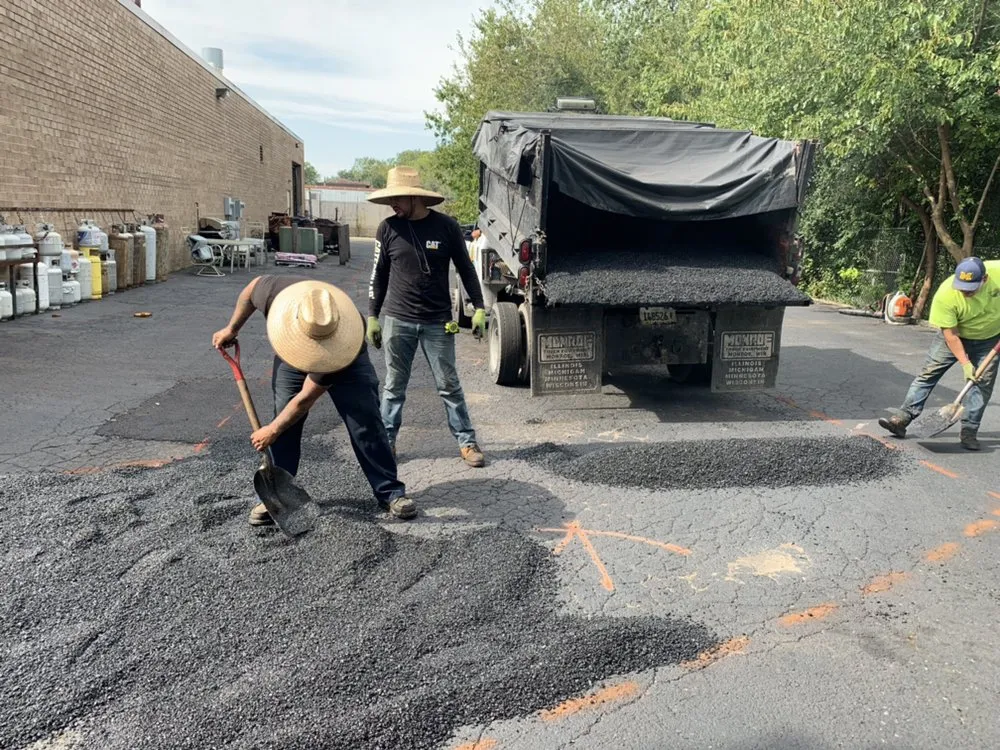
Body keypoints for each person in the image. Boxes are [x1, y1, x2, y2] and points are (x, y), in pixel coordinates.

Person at [212, 275, 417, 524]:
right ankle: (277, 496)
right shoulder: (273, 291)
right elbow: (250, 289)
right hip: (291, 351)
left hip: (346, 363)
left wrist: (271, 430)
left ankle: (390, 492)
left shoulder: (341, 345)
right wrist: (232, 328)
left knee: (365, 422)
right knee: (284, 421)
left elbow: (304, 400)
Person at [365, 166, 488, 467]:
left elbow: (466, 268)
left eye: (397, 199)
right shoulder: (387, 228)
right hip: (398, 319)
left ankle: (467, 442)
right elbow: (378, 274)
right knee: (394, 387)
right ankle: (388, 443)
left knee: (449, 384)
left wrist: (480, 307)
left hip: (438, 321)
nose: (392, 205)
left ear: (413, 197)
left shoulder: (446, 227)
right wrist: (372, 315)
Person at [879, 257, 1000, 450]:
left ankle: (969, 431)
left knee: (982, 384)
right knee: (928, 374)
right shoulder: (946, 294)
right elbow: (951, 335)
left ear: (984, 279)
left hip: (989, 339)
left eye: (970, 288)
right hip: (954, 335)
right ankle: (902, 418)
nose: (965, 292)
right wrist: (966, 363)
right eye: (962, 287)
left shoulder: (997, 272)